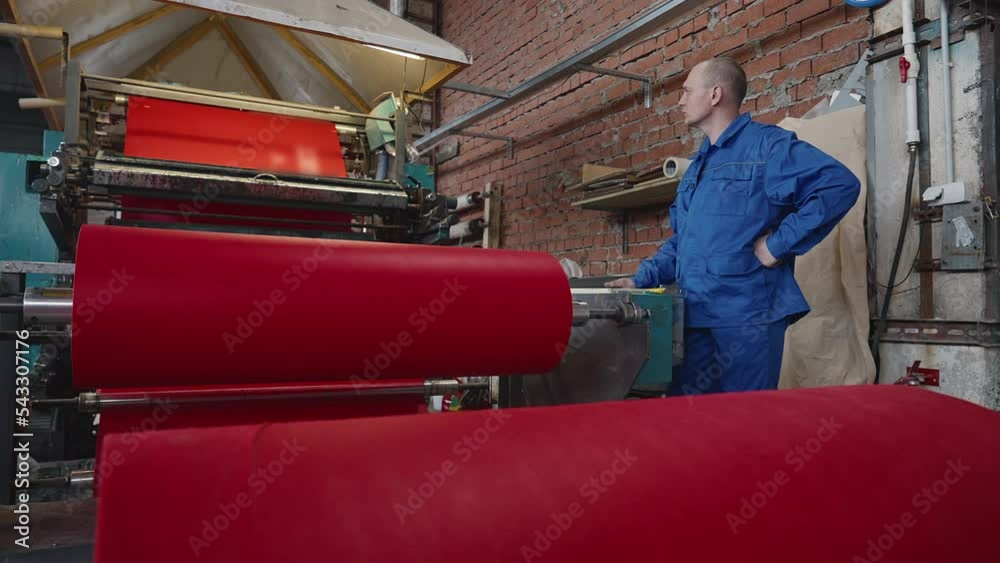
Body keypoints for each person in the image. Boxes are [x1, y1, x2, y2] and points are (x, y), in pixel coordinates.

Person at [605, 57, 860, 395]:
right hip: (694, 316)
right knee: (692, 420)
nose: (680, 101)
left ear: (714, 94)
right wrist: (640, 279)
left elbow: (838, 185)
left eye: (686, 91)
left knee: (745, 422)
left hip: (746, 318)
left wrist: (778, 245)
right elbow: (684, 242)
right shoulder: (697, 167)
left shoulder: (768, 146)